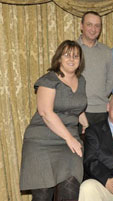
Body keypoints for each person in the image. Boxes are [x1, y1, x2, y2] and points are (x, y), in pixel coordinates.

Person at [20, 40, 88, 201]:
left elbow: (74, 105)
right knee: (43, 195)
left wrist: (85, 122)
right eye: (67, 55)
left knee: (71, 190)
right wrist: (69, 138)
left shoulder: (82, 80)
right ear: (59, 58)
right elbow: (46, 112)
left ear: (80, 61)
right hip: (42, 142)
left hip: (68, 144)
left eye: (76, 56)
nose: (71, 59)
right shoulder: (49, 80)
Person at [77, 11, 113, 126]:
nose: (93, 29)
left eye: (97, 25)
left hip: (101, 111)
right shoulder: (71, 49)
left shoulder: (106, 51)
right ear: (81, 26)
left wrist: (102, 96)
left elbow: (110, 79)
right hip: (77, 112)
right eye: (89, 24)